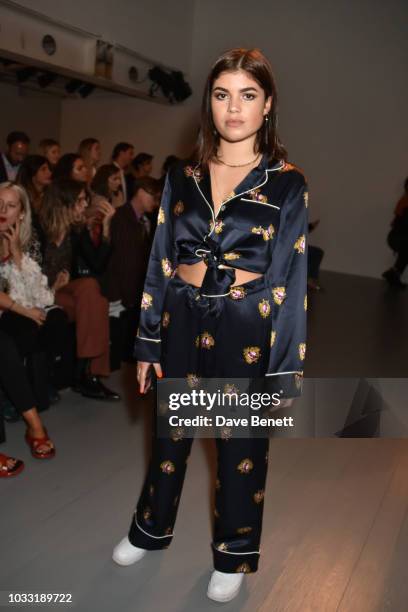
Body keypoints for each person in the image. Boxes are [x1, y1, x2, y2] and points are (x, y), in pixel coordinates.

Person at [112, 48, 308, 603]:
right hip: (179, 316)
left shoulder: (287, 183)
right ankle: (150, 530)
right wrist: (148, 338)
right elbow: (159, 260)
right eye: (222, 94)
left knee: (238, 444)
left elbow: (290, 282)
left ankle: (235, 551)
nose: (234, 108)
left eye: (248, 95)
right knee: (170, 436)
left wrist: (284, 368)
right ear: (210, 103)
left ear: (267, 105)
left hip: (246, 322)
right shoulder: (183, 175)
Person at [0, 182, 66, 463]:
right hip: (10, 315)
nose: (2, 210)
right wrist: (25, 312)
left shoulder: (26, 242)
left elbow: (37, 297)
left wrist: (16, 256)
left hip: (9, 316)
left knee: (48, 322)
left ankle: (17, 397)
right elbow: (23, 306)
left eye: (10, 205)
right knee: (4, 344)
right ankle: (35, 425)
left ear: (22, 213)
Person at [39, 179, 119, 400]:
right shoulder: (39, 228)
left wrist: (106, 227)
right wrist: (47, 284)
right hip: (36, 292)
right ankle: (87, 374)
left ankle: (86, 373)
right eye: (81, 201)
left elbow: (97, 264)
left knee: (91, 288)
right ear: (65, 203)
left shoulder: (76, 231)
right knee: (95, 299)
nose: (85, 205)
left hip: (64, 292)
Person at [106, 177, 161, 361]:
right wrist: (130, 295)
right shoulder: (122, 217)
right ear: (141, 192)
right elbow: (123, 261)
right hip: (122, 291)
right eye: (154, 197)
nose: (156, 202)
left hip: (133, 289)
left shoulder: (142, 219)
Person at [382, 176, 408, 289]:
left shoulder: (404, 200)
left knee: (406, 252)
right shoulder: (405, 202)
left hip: (398, 236)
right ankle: (394, 273)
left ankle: (394, 273)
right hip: (398, 237)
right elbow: (401, 224)